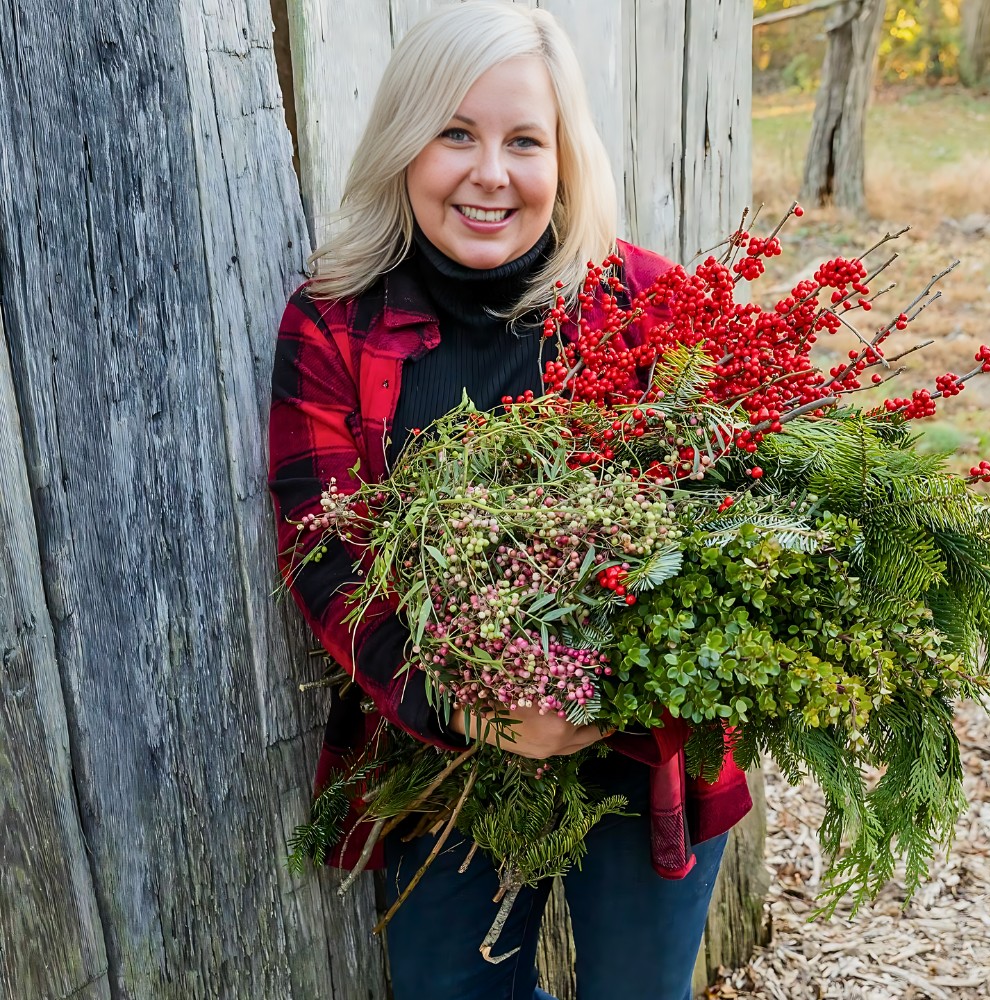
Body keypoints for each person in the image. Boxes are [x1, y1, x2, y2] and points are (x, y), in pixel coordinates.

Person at [268, 4, 751, 998]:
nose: (491, 172)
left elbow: (733, 521)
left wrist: (603, 682)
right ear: (405, 145)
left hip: (642, 727)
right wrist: (466, 706)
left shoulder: (647, 308)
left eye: (524, 140)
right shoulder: (335, 321)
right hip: (437, 744)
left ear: (564, 158)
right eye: (455, 132)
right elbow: (324, 550)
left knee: (637, 988)